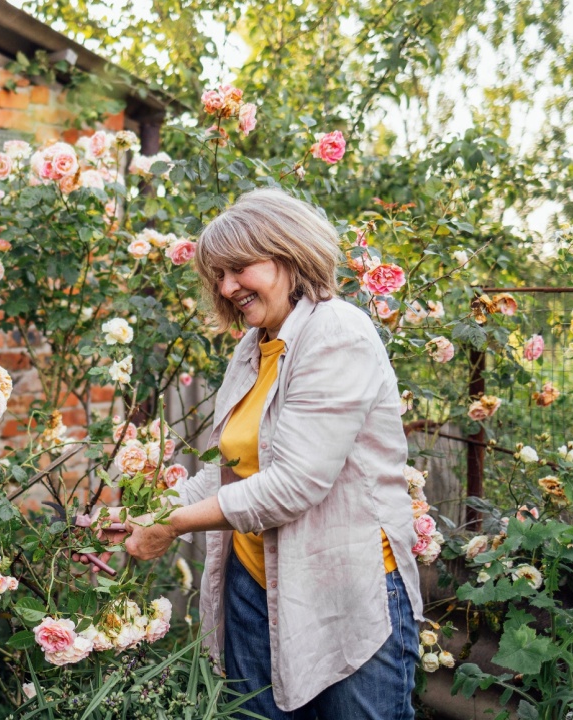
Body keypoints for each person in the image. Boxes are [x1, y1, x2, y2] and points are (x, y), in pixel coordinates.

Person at [98, 188, 422, 719]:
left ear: (288, 253)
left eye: (238, 268)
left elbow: (295, 483)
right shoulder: (253, 348)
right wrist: (146, 514)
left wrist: (174, 525)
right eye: (217, 276)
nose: (226, 287)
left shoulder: (337, 333)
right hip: (256, 586)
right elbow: (230, 471)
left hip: (345, 592)